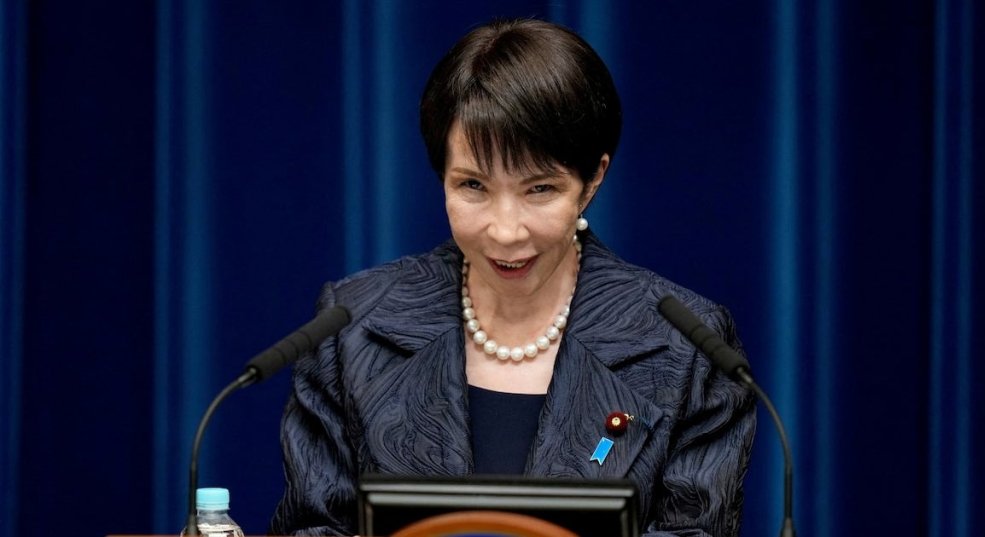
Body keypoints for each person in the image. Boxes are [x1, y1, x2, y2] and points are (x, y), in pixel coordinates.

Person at [269, 18, 755, 537]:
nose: (504, 231)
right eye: (473, 185)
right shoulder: (354, 326)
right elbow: (313, 527)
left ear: (591, 182)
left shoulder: (686, 346)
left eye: (539, 189)